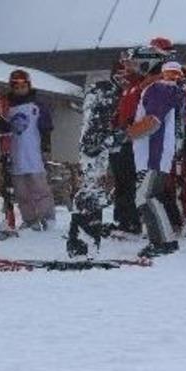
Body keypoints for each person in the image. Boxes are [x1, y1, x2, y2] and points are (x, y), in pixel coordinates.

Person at [126, 52, 184, 257]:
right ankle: (161, 240)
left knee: (146, 196)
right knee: (147, 197)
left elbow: (153, 121)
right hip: (150, 154)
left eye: (136, 63)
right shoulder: (157, 88)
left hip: (154, 153)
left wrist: (128, 133)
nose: (131, 68)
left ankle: (164, 242)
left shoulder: (159, 88)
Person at [67, 59, 124, 256]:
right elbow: (92, 143)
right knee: (89, 195)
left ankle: (85, 243)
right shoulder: (98, 106)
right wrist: (112, 139)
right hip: (93, 162)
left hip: (95, 161)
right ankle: (82, 244)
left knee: (91, 194)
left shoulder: (99, 107)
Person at [3, 68, 56, 230]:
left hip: (33, 152)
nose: (19, 89)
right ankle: (29, 219)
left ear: (28, 85)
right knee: (21, 192)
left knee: (39, 188)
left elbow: (46, 127)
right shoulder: (6, 106)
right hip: (15, 153)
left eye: (22, 85)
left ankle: (47, 218)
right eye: (16, 86)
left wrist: (45, 147)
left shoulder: (37, 104)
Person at [111, 50, 145, 233]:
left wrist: (128, 127)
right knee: (121, 182)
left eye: (130, 63)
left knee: (131, 182)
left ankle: (133, 220)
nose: (126, 67)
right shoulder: (127, 88)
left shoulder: (140, 86)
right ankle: (123, 219)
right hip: (121, 140)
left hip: (134, 140)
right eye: (125, 63)